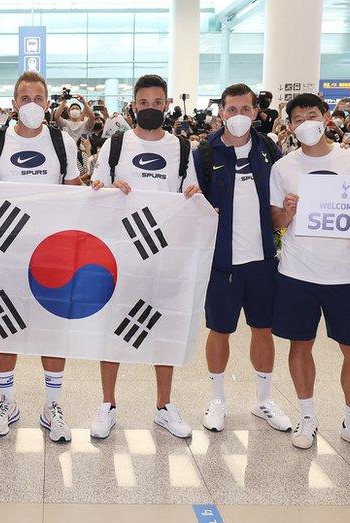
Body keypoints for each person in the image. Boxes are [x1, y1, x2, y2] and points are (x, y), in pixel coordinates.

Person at [268, 93, 350, 459]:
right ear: (290, 126)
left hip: (343, 273)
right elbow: (274, 220)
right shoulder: (283, 167)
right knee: (300, 345)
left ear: (327, 119)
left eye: (313, 115)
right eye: (299, 117)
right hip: (296, 272)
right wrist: (286, 213)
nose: (307, 122)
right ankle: (307, 416)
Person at [87, 74, 201, 440]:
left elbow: (190, 196)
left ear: (166, 105)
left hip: (166, 257)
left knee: (164, 330)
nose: (149, 109)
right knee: (112, 331)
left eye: (156, 103)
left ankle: (164, 407)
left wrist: (194, 196)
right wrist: (108, 189)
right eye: (143, 103)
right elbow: (96, 190)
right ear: (133, 105)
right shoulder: (115, 145)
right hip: (121, 256)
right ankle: (107, 405)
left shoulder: (182, 149)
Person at [0, 71, 81, 444]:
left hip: (50, 252)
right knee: (5, 325)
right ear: (14, 103)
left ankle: (52, 406)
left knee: (51, 329)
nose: (32, 104)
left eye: (39, 98)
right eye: (25, 98)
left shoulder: (61, 141)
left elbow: (74, 192)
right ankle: (7, 401)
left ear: (47, 103)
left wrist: (102, 193)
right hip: (5, 249)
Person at [191, 83, 290, 433]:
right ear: (221, 113)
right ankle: (217, 399)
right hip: (222, 263)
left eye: (245, 109)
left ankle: (264, 399)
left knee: (263, 330)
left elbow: (280, 199)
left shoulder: (268, 149)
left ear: (256, 112)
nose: (238, 116)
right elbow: (191, 204)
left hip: (262, 260)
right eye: (231, 110)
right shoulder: (204, 154)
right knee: (219, 331)